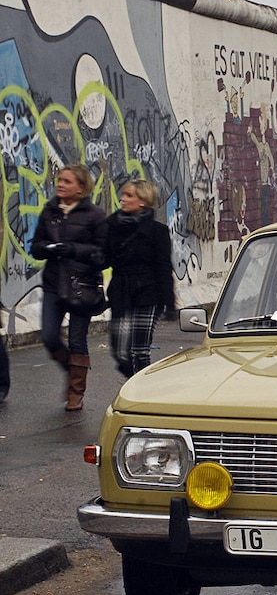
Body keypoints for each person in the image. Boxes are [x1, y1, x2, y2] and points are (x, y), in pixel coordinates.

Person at [30, 164, 108, 411]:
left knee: (77, 339)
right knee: (49, 336)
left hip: (82, 285)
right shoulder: (50, 210)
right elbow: (35, 246)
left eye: (67, 181)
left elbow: (103, 253)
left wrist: (74, 250)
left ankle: (76, 392)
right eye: (59, 180)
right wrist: (46, 249)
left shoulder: (95, 215)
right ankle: (71, 368)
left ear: (81, 188)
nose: (60, 185)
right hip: (54, 283)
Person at [105, 179, 176, 378]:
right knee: (119, 352)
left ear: (143, 201)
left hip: (148, 294)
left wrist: (170, 303)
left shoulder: (157, 231)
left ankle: (142, 390)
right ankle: (134, 380)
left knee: (140, 351)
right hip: (121, 292)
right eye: (123, 194)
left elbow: (164, 267)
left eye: (129, 195)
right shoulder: (112, 226)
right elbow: (104, 259)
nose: (122, 198)